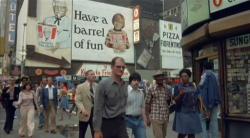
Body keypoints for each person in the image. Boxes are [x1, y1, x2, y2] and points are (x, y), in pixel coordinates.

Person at [93, 57, 129, 138]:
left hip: (121, 123)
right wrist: (97, 130)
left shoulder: (124, 84)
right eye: (118, 67)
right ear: (112, 67)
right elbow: (98, 109)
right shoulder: (103, 84)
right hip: (108, 124)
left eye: (123, 67)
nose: (121, 69)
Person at [172, 69, 202, 138]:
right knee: (182, 133)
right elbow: (175, 100)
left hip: (192, 112)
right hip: (182, 112)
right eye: (182, 76)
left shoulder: (194, 86)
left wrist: (200, 107)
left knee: (191, 133)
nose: (183, 78)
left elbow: (198, 97)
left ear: (189, 77)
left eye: (185, 76)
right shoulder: (178, 87)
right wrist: (180, 94)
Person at [145, 71, 171, 138]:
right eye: (158, 77)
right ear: (155, 78)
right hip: (155, 116)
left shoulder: (167, 89)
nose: (160, 78)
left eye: (161, 76)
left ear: (163, 78)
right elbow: (147, 104)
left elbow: (168, 102)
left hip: (165, 116)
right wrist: (147, 118)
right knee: (159, 136)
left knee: (163, 136)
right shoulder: (151, 89)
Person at [198, 61, 221, 138]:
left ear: (203, 67)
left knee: (203, 121)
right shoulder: (216, 75)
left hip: (207, 104)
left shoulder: (206, 75)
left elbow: (205, 92)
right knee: (213, 122)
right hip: (215, 102)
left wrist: (207, 107)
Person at [75, 70, 97, 138]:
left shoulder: (97, 86)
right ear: (86, 76)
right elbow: (78, 100)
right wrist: (83, 109)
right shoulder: (80, 87)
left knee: (95, 134)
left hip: (95, 115)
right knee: (82, 134)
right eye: (91, 74)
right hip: (84, 113)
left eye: (94, 74)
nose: (93, 75)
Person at [125, 72, 147, 138]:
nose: (136, 82)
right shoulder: (125, 91)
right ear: (130, 81)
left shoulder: (141, 93)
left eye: (138, 80)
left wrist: (145, 121)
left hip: (139, 121)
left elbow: (142, 107)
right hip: (127, 120)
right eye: (134, 80)